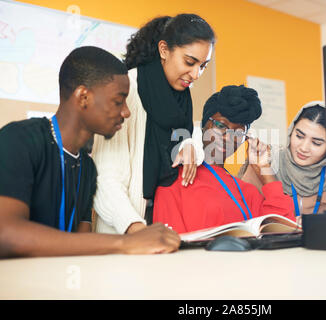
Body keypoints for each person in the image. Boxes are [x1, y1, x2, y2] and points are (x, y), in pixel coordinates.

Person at [0, 46, 180, 258]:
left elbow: (81, 245)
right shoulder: (20, 140)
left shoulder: (86, 167)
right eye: (118, 100)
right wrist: (126, 242)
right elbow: (6, 235)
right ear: (83, 97)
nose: (126, 111)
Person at [91, 14, 216, 234]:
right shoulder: (126, 90)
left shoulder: (182, 97)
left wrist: (189, 144)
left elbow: (191, 135)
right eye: (190, 62)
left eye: (203, 66)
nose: (196, 75)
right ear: (164, 50)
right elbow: (106, 180)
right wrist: (135, 228)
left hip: (167, 221)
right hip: (125, 229)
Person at [152, 85, 297, 234]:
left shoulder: (247, 192)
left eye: (239, 133)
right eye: (220, 125)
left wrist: (265, 170)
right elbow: (166, 241)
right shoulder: (178, 176)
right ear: (203, 125)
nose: (228, 137)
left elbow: (283, 230)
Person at [239, 101, 326, 223]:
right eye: (299, 136)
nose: (303, 148)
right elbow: (241, 211)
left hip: (321, 241)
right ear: (291, 131)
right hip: (269, 241)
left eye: (316, 143)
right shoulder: (264, 161)